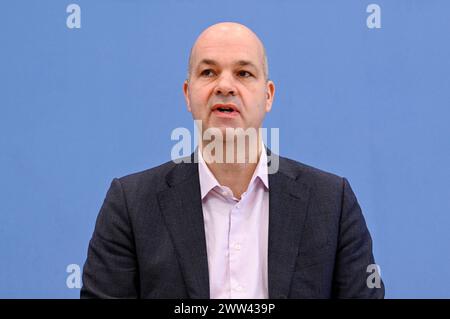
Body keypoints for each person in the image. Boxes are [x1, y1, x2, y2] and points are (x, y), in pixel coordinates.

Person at [80, 22, 385, 299]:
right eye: (208, 72)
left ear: (268, 96)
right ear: (187, 94)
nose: (224, 86)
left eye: (243, 73)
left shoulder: (331, 202)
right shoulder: (131, 204)